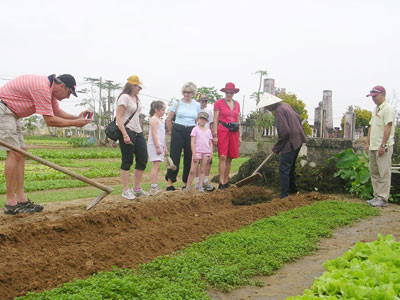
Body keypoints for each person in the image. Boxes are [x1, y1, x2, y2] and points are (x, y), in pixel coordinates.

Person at [0, 74, 91, 214]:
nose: (68, 97)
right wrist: (75, 123)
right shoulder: (42, 88)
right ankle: (11, 202)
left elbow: (57, 112)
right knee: (13, 152)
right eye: (68, 93)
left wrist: (76, 118)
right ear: (62, 86)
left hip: (13, 113)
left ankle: (21, 199)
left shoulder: (50, 90)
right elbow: (50, 121)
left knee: (21, 152)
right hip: (4, 110)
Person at [263, 96, 306, 199]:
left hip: (291, 142)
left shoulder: (278, 111)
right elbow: (298, 119)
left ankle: (284, 194)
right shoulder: (286, 105)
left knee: (284, 168)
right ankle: (293, 190)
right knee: (290, 167)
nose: (266, 108)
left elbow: (285, 132)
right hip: (298, 139)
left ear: (270, 104)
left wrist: (276, 148)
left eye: (266, 106)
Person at [116, 75, 149, 200]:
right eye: (138, 87)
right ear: (132, 86)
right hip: (127, 130)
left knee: (142, 159)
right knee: (127, 160)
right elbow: (118, 117)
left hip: (138, 130)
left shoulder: (136, 98)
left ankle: (136, 188)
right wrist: (124, 134)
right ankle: (125, 189)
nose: (140, 89)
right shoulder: (124, 97)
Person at [165, 82, 200, 190]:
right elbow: (168, 119)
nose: (186, 94)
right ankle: (170, 183)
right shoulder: (177, 103)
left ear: (193, 93)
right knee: (174, 156)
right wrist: (171, 132)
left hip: (191, 130)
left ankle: (186, 182)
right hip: (178, 129)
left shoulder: (197, 105)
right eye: (184, 92)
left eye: (189, 92)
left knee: (189, 157)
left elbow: (197, 120)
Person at [365, 85, 395, 207]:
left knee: (384, 172)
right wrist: (367, 143)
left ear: (382, 94)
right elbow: (371, 127)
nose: (374, 99)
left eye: (375, 96)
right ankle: (376, 195)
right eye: (372, 97)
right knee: (374, 172)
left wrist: (383, 144)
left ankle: (383, 198)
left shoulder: (388, 109)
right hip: (373, 146)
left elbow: (388, 127)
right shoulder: (376, 109)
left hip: (383, 146)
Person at [213, 82, 242, 190]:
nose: (229, 94)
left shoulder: (237, 104)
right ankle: (221, 181)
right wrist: (215, 135)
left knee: (230, 157)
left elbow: (238, 120)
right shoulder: (218, 103)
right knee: (222, 156)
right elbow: (215, 120)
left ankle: (226, 181)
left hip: (234, 131)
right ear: (224, 92)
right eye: (227, 92)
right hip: (222, 130)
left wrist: (240, 136)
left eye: (231, 92)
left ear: (234, 93)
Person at [185, 112, 213, 191]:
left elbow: (210, 143)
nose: (202, 120)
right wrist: (194, 154)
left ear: (207, 121)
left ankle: (200, 186)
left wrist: (211, 153)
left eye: (204, 119)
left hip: (206, 152)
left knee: (202, 170)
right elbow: (192, 142)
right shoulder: (195, 129)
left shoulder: (208, 131)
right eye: (201, 118)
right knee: (192, 170)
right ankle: (188, 187)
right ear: (198, 119)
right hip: (197, 152)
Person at [195, 94, 215, 191]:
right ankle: (197, 181)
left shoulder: (209, 111)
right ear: (198, 101)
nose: (204, 103)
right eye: (202, 101)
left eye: (205, 101)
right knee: (196, 160)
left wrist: (213, 135)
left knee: (208, 160)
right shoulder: (195, 109)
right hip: (197, 136)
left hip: (206, 136)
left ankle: (205, 180)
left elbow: (211, 124)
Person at [147, 100, 167, 194]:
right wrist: (157, 146)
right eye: (162, 110)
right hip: (154, 145)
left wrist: (165, 147)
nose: (163, 112)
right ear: (156, 109)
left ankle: (155, 185)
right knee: (156, 165)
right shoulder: (153, 119)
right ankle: (153, 187)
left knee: (158, 166)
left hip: (160, 145)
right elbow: (154, 134)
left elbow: (162, 135)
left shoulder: (161, 121)